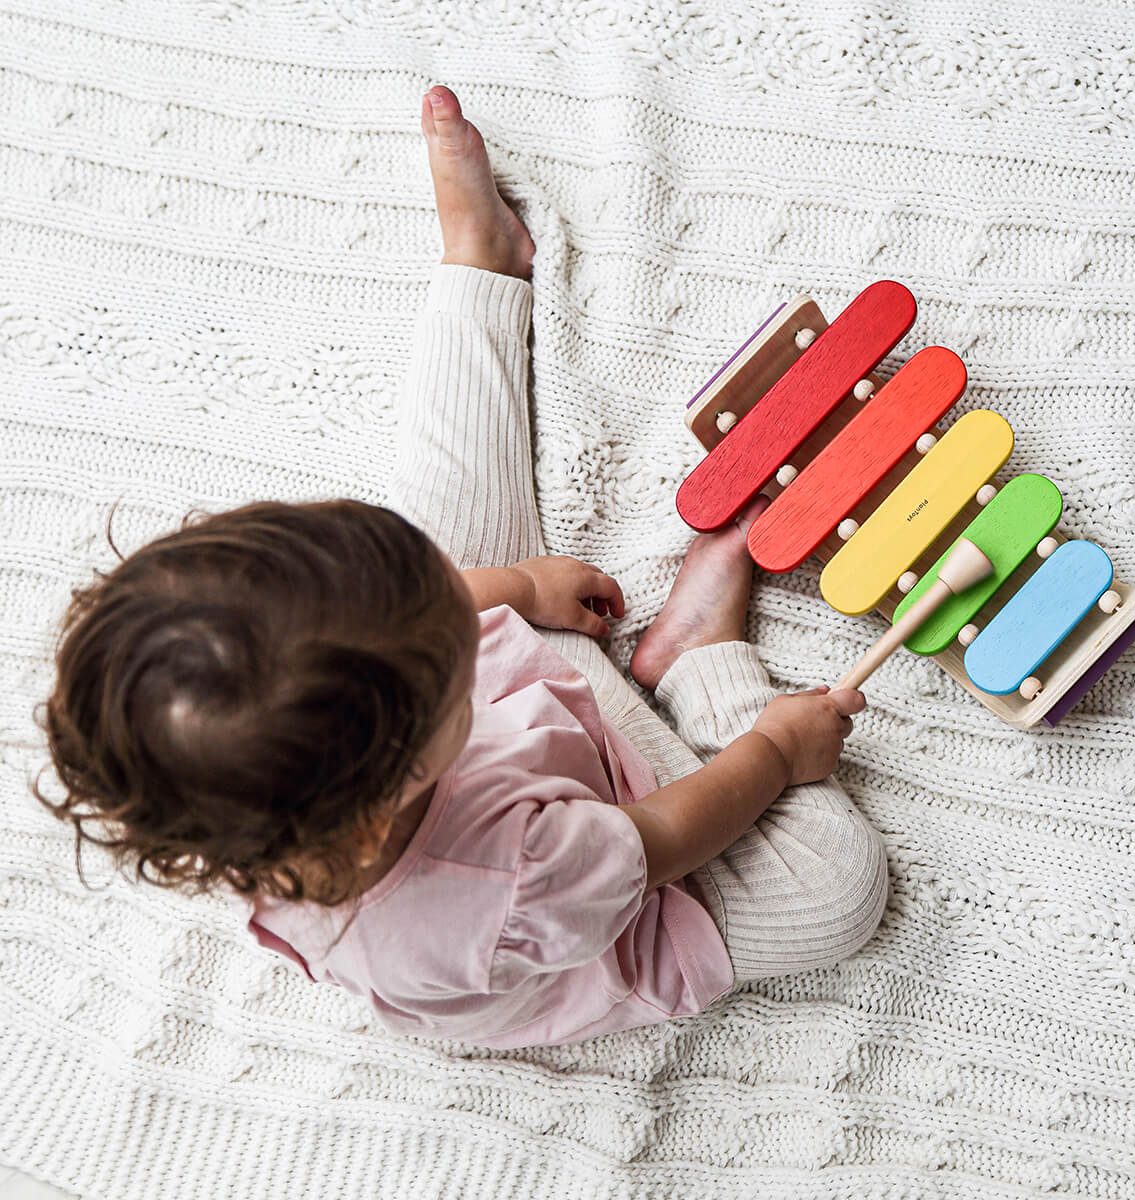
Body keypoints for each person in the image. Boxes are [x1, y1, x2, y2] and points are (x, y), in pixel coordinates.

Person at [33, 85, 888, 1050]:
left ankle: (481, 262)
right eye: (443, 634)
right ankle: (695, 661)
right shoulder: (504, 883)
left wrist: (517, 589)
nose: (456, 610)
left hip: (520, 745)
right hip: (633, 863)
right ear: (388, 796)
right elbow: (662, 841)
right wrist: (772, 751)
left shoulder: (283, 759)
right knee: (838, 889)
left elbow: (420, 605)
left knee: (446, 518)